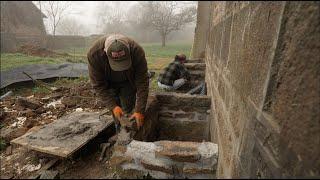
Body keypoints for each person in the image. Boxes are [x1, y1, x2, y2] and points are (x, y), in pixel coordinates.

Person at [87, 34, 149, 132]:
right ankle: (119, 130)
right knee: (116, 111)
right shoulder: (94, 55)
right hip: (108, 82)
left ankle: (129, 131)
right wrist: (113, 106)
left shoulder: (137, 51)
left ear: (129, 50)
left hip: (128, 81)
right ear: (105, 53)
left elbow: (142, 82)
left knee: (128, 109)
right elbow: (98, 86)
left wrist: (139, 110)